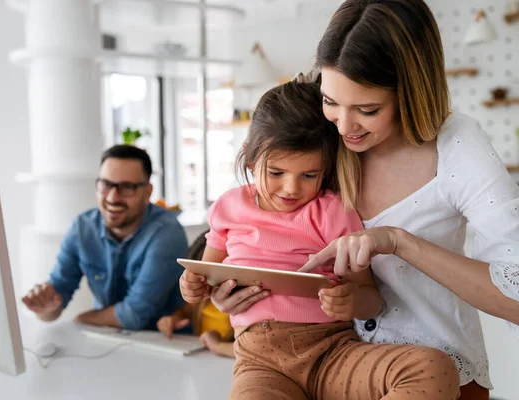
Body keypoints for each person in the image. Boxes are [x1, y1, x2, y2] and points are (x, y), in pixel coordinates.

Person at [185, 1, 519, 399]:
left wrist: (399, 242)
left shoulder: (457, 145)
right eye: (331, 101)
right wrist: (231, 293)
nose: (344, 126)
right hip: (316, 368)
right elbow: (256, 222)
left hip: (428, 375)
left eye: (367, 109)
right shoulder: (319, 133)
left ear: (410, 93)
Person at [182, 80, 460, 399]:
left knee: (433, 367)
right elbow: (202, 276)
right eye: (276, 173)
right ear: (250, 159)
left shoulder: (331, 212)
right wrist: (192, 287)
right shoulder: (227, 207)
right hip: (260, 364)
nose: (291, 188)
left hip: (332, 353)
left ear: (324, 169)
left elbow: (371, 299)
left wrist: (352, 301)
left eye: (309, 175)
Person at [22, 145, 188, 330]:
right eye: (106, 184)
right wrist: (45, 308)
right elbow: (57, 297)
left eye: (127, 187)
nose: (112, 197)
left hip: (162, 343)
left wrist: (82, 319)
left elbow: (134, 315)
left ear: (147, 192)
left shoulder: (167, 233)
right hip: (105, 339)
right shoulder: (82, 228)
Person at [157, 231, 235, 358]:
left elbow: (258, 351)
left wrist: (218, 346)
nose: (206, 284)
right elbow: (185, 311)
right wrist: (174, 319)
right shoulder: (203, 297)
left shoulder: (244, 301)